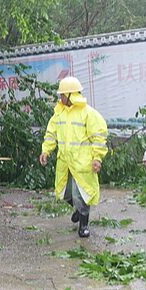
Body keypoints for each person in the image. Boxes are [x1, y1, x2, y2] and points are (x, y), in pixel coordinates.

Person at [39, 76, 108, 238]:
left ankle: (84, 226)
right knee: (64, 193)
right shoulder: (59, 113)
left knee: (81, 194)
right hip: (65, 162)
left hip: (83, 163)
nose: (60, 97)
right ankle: (77, 209)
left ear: (70, 95)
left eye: (62, 94)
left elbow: (99, 136)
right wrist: (45, 151)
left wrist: (97, 158)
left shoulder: (88, 113)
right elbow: (51, 134)